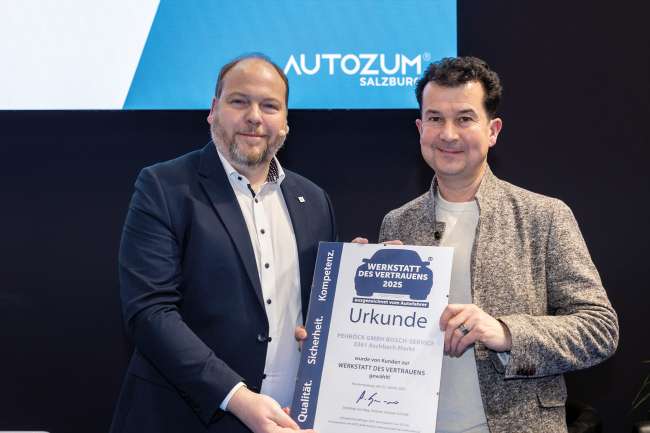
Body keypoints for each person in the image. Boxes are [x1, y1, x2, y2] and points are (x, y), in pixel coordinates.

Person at [378, 57, 618, 432]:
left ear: (493, 131)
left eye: (464, 118)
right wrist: (356, 290)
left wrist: (506, 333)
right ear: (420, 128)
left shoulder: (544, 217)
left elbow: (599, 329)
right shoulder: (397, 223)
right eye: (436, 118)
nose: (448, 134)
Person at [110, 54, 335, 433]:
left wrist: (358, 275)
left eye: (270, 106)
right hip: (184, 419)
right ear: (213, 110)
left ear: (285, 121)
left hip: (289, 421)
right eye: (239, 101)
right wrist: (237, 397)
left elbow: (320, 311)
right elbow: (149, 313)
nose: (254, 117)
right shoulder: (164, 187)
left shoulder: (314, 200)